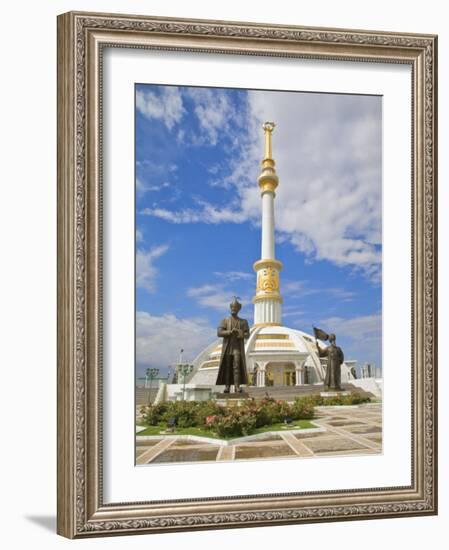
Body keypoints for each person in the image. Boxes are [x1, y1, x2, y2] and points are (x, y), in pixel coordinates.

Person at [215, 298, 250, 393]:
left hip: (237, 348)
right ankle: (227, 387)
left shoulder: (243, 322)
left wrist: (240, 333)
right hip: (227, 348)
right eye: (232, 307)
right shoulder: (225, 320)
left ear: (238, 309)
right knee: (227, 367)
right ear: (230, 308)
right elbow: (219, 332)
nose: (233, 309)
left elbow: (247, 334)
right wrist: (230, 332)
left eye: (236, 307)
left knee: (237, 367)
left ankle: (237, 387)